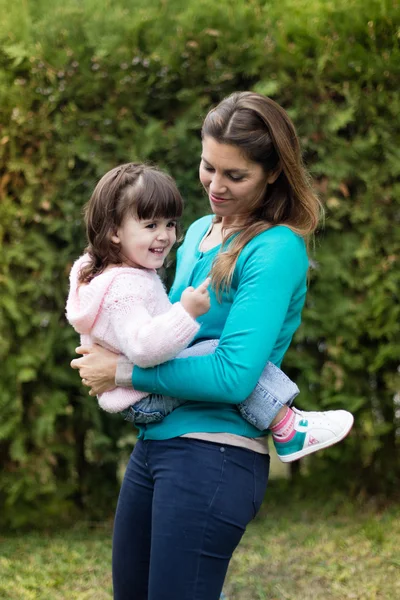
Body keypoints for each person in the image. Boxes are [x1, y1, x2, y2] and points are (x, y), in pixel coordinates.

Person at [71, 92, 354, 600]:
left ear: (272, 173)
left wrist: (123, 373)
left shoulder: (276, 247)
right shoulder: (198, 231)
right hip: (155, 448)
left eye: (235, 176)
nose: (215, 187)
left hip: (215, 455)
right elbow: (164, 331)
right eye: (208, 167)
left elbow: (234, 375)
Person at [66, 162, 305, 434]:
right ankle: (286, 425)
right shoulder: (125, 287)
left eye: (170, 224)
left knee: (227, 360)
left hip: (135, 396)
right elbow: (144, 348)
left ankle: (285, 422)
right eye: (151, 225)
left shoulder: (109, 272)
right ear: (114, 232)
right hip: (143, 397)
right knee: (220, 352)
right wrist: (186, 313)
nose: (165, 235)